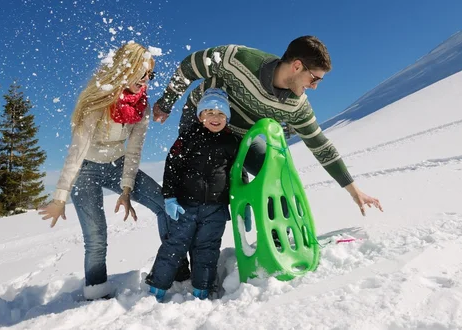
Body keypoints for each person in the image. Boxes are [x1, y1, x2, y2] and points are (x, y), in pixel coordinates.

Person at [152, 36, 383, 216]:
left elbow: (320, 145)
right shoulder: (237, 59)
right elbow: (190, 66)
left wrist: (354, 191)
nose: (314, 87)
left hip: (242, 136)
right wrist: (166, 103)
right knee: (196, 186)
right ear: (297, 66)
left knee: (276, 175)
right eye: (314, 78)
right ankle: (179, 260)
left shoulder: (297, 105)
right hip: (201, 121)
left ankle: (275, 245)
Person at [38, 42, 170, 301]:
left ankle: (171, 269)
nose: (144, 81)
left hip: (118, 164)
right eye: (140, 73)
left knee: (164, 204)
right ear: (125, 69)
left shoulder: (141, 106)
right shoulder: (98, 101)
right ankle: (96, 294)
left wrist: (126, 188)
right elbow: (76, 151)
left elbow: (133, 152)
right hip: (85, 169)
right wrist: (59, 198)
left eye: (149, 75)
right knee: (96, 237)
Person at [145, 88, 242, 301]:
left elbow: (238, 173)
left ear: (227, 117)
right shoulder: (188, 137)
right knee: (175, 244)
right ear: (200, 116)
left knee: (207, 249)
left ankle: (202, 290)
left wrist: (242, 205)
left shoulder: (232, 142)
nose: (215, 118)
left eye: (220, 114)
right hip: (185, 205)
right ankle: (157, 288)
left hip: (216, 209)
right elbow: (172, 166)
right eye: (209, 113)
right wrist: (169, 197)